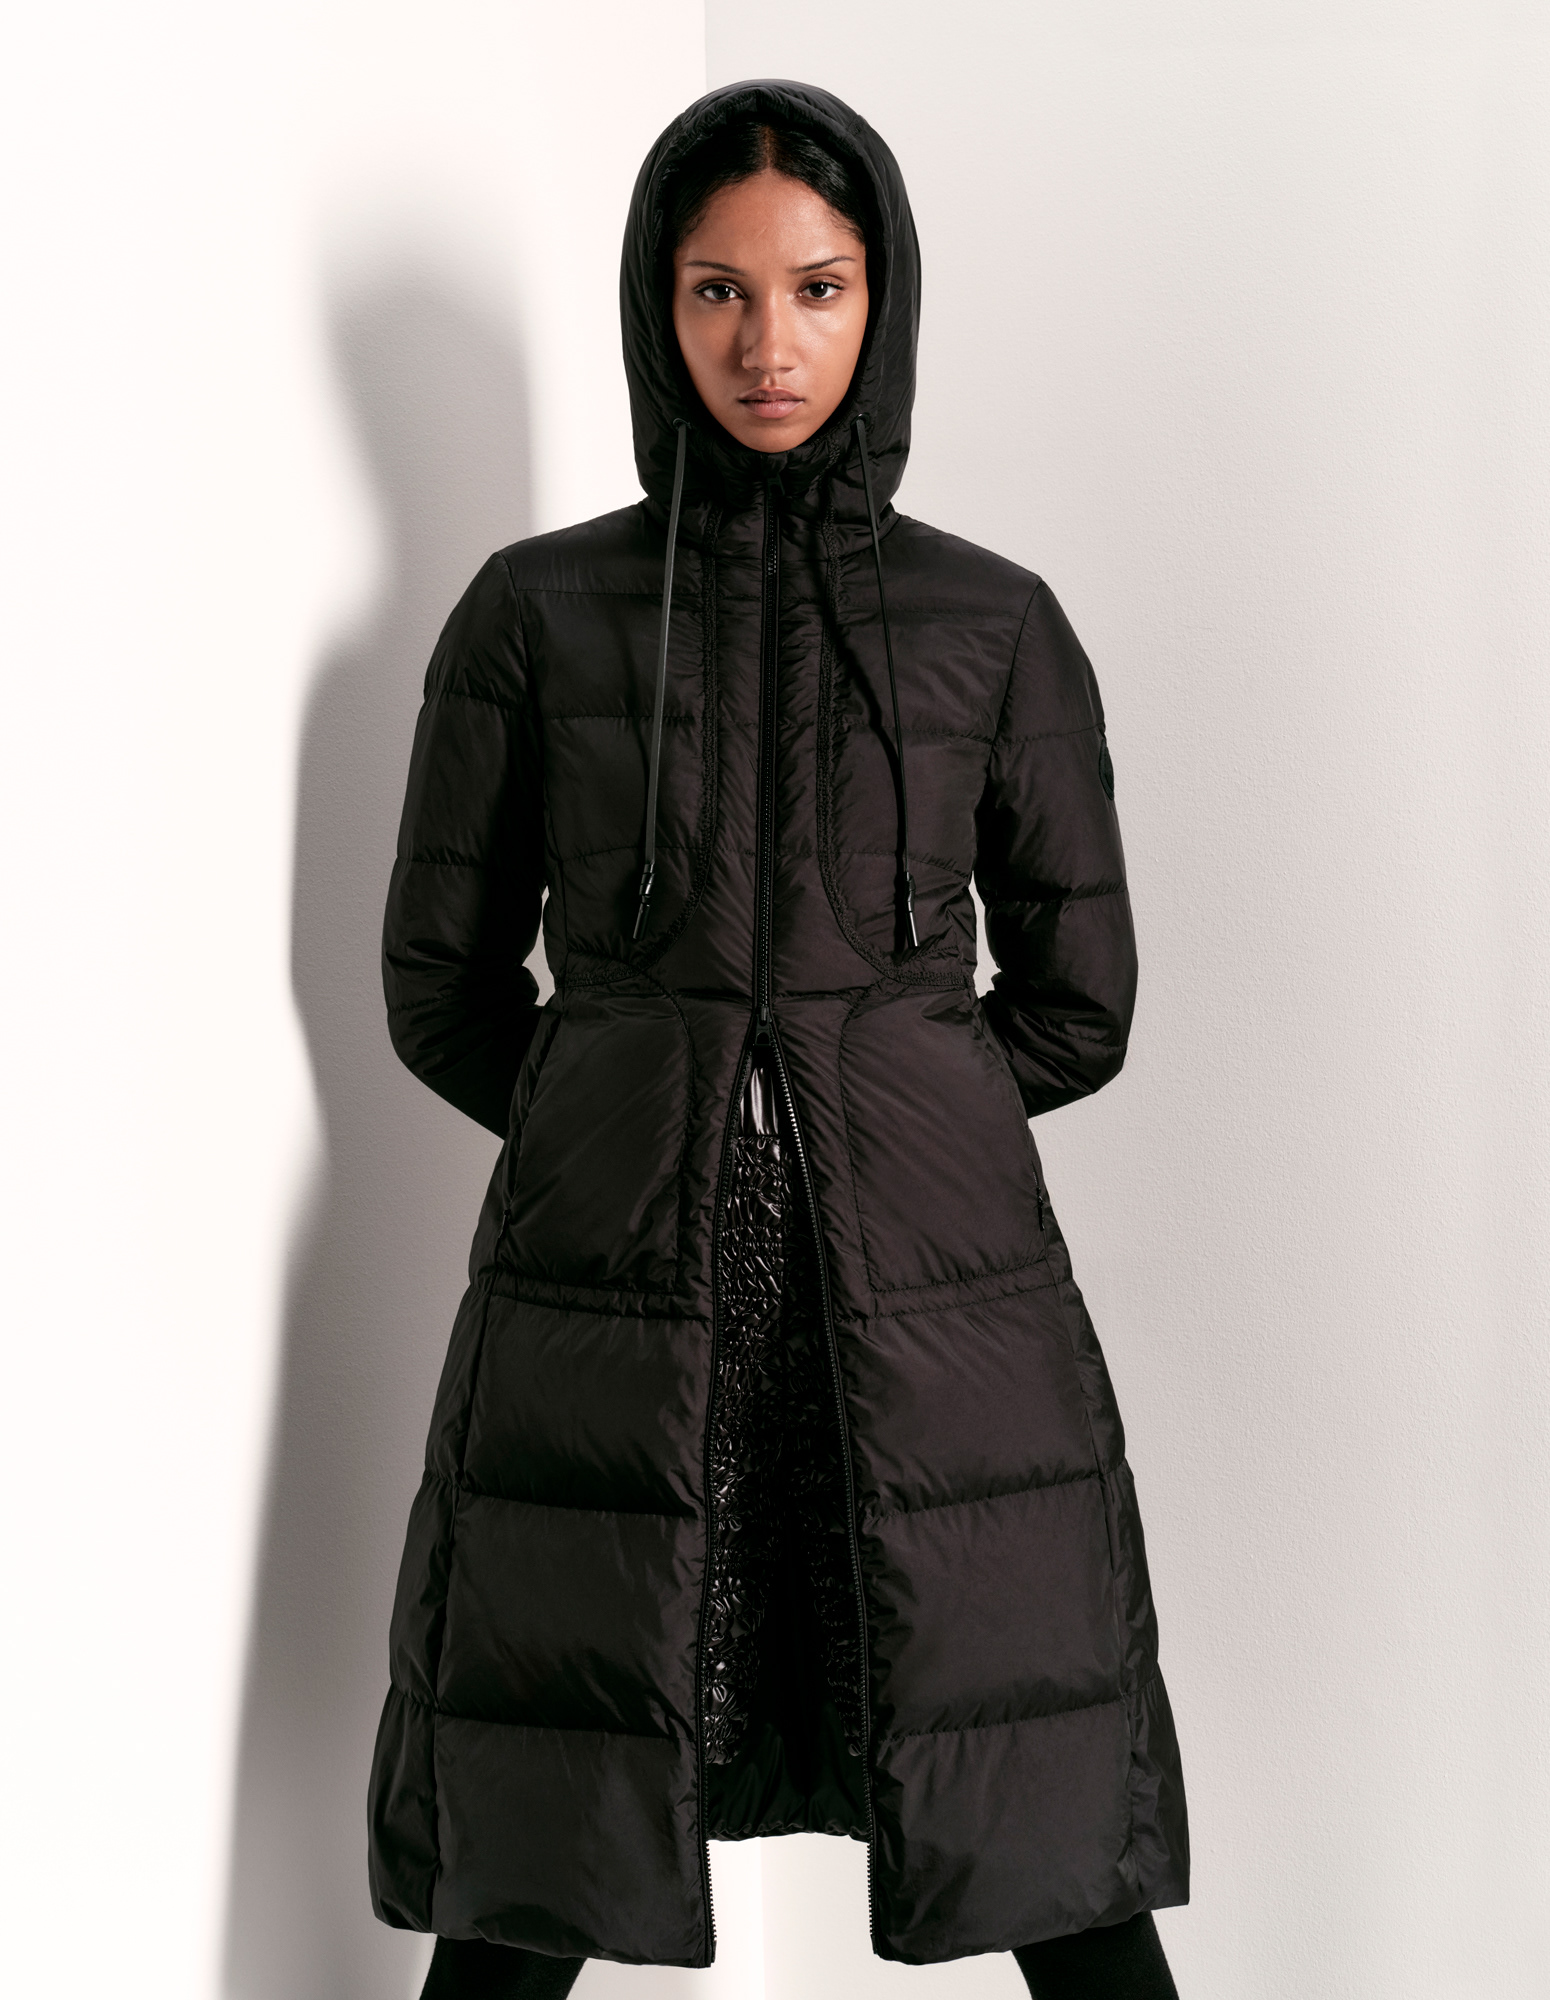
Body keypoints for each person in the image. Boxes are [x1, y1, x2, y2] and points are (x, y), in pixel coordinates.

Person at [367, 80, 1189, 2000]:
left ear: (878, 302)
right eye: (717, 291)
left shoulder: (991, 624)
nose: (765, 344)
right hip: (613, 1297)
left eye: (815, 289)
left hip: (929, 1304)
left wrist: (892, 1118)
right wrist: (623, 1116)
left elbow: (1079, 1002)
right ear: (654, 306)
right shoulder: (532, 617)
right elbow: (439, 988)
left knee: (1032, 1805)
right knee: (547, 1826)